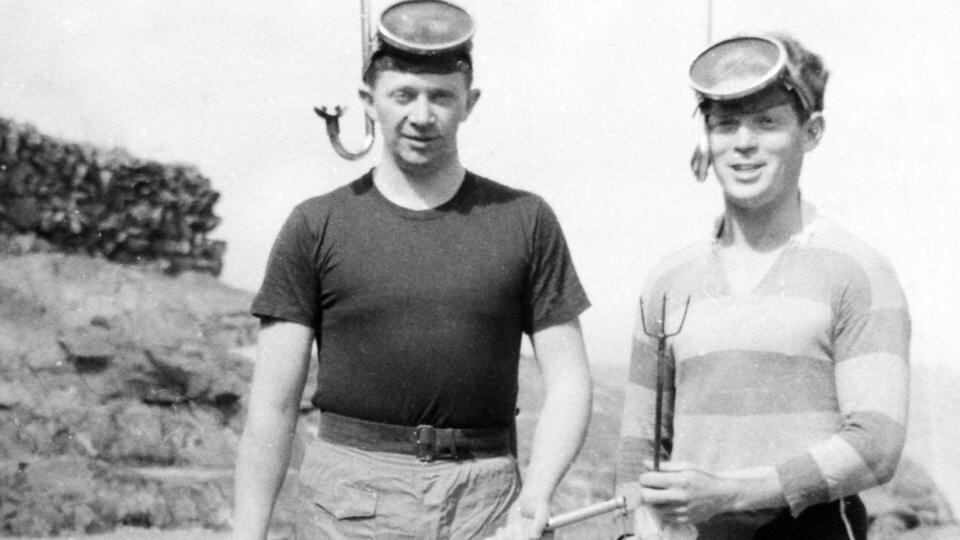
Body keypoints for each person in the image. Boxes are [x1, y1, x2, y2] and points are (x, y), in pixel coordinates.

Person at [232, 1, 593, 539]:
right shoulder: (316, 225)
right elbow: (273, 406)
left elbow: (569, 380)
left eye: (441, 97)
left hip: (486, 502)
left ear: (469, 103)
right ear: (368, 101)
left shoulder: (526, 220)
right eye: (403, 95)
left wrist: (533, 500)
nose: (421, 116)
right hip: (347, 503)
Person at [616, 33, 911, 540]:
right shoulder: (668, 280)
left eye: (767, 122)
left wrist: (733, 492)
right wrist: (643, 519)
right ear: (704, 141)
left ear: (811, 132)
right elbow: (638, 451)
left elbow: (876, 446)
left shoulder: (859, 271)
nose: (743, 142)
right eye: (724, 124)